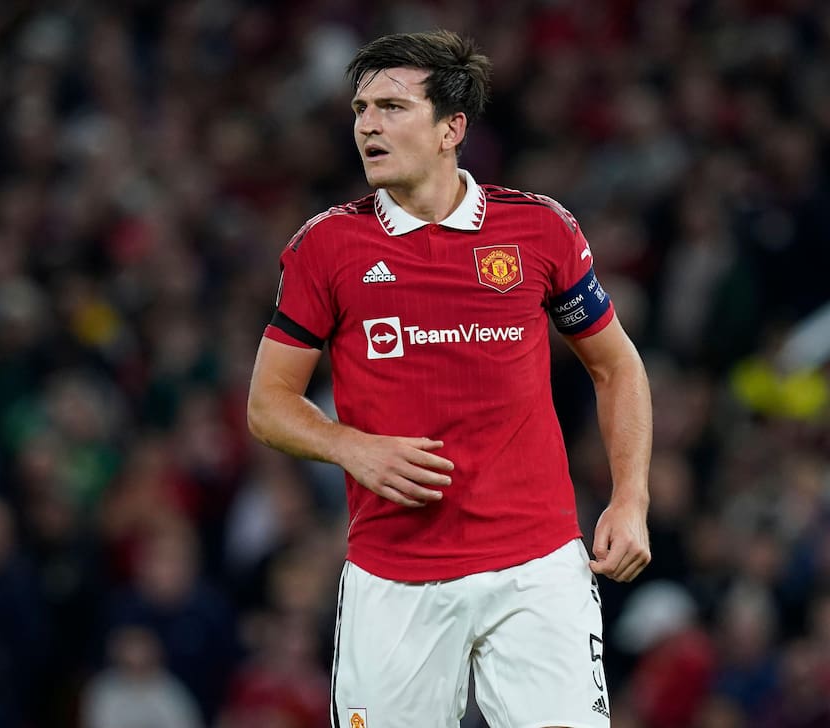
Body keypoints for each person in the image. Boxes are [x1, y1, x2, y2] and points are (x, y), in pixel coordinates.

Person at [246, 30, 652, 728]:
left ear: (450, 129)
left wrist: (630, 498)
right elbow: (266, 404)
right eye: (360, 109)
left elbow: (616, 364)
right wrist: (351, 447)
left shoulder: (539, 230)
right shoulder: (326, 247)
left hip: (536, 569)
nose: (367, 125)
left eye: (391, 107)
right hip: (394, 576)